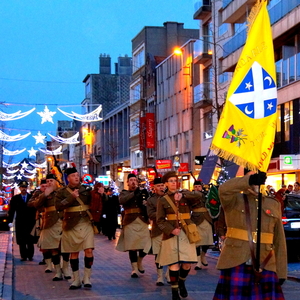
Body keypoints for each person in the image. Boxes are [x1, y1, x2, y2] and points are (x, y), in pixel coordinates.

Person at [213, 171, 287, 300]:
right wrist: (248, 180)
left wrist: (281, 272)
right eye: (251, 176)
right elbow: (223, 189)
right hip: (236, 260)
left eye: (257, 177)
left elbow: (279, 240)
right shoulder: (233, 199)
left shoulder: (273, 204)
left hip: (266, 261)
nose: (255, 180)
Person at [156, 171, 199, 300]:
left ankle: (181, 282)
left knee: (187, 264)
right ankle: (174, 291)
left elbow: (200, 196)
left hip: (186, 233)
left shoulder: (185, 196)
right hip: (171, 235)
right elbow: (160, 220)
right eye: (171, 181)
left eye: (175, 181)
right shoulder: (162, 200)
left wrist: (183, 194)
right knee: (173, 264)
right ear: (165, 184)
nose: (174, 183)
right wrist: (171, 230)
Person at [55, 167, 94, 289]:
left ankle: (87, 277)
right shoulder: (61, 192)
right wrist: (71, 197)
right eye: (73, 175)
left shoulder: (87, 189)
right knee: (74, 252)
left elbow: (95, 203)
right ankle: (76, 279)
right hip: (71, 224)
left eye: (77, 175)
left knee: (89, 250)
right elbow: (58, 206)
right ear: (68, 178)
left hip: (86, 223)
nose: (76, 177)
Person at [29, 173, 71, 281]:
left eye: (51, 181)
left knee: (66, 247)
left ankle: (65, 268)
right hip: (50, 223)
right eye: (47, 181)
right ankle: (57, 271)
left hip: (63, 221)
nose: (49, 183)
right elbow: (35, 205)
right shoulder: (43, 194)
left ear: (56, 182)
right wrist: (44, 195)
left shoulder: (63, 191)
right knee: (53, 248)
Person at [116, 173, 151, 278]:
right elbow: (122, 201)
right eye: (131, 180)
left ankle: (140, 260)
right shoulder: (124, 193)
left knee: (146, 245)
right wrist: (134, 193)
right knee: (132, 247)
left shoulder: (142, 193)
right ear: (127, 182)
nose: (133, 182)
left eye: (135, 180)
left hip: (142, 220)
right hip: (130, 221)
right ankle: (134, 269)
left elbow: (148, 203)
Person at [8, 180, 36, 261]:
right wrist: (10, 221)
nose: (24, 189)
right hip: (20, 222)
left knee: (30, 239)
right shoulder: (15, 198)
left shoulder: (32, 197)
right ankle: (23, 256)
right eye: (22, 187)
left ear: (27, 188)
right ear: (19, 188)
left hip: (30, 221)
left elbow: (35, 209)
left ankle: (30, 255)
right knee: (21, 240)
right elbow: (12, 210)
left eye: (25, 187)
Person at [146, 177, 167, 286]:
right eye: (158, 186)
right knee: (158, 253)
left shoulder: (170, 197)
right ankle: (160, 276)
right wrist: (163, 215)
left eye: (162, 185)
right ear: (154, 188)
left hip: (171, 230)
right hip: (157, 229)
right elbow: (150, 214)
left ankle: (168, 273)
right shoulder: (151, 200)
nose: (161, 187)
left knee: (170, 252)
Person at [28, 178, 51, 268]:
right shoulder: (37, 194)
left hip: (50, 219)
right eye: (42, 186)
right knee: (42, 240)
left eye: (46, 186)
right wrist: (38, 202)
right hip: (40, 219)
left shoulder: (52, 193)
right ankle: (45, 258)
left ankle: (51, 258)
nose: (44, 188)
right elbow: (30, 203)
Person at [191, 180, 214, 270]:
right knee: (197, 242)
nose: (197, 188)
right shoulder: (191, 196)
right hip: (196, 220)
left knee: (207, 240)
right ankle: (198, 262)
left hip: (207, 218)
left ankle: (203, 255)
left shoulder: (207, 195)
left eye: (199, 187)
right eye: (195, 187)